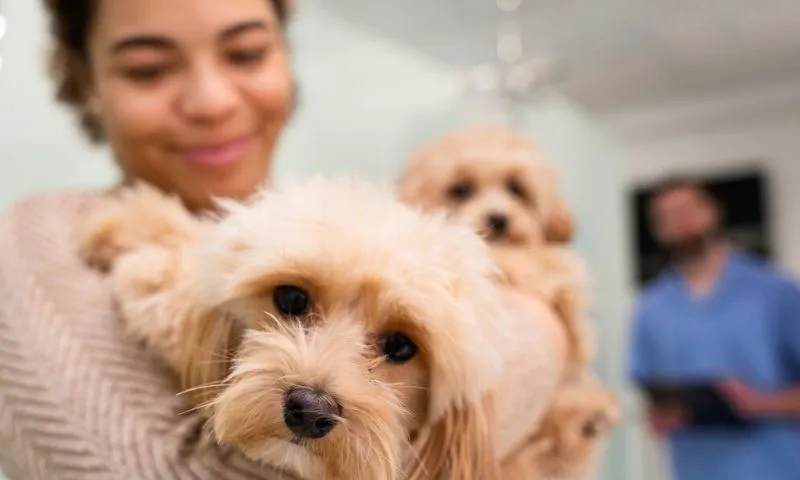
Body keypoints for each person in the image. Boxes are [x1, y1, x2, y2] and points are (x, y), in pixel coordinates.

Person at [0, 0, 568, 478]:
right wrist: (541, 335)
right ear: (84, 79)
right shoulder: (30, 244)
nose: (213, 101)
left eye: (246, 53)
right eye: (149, 68)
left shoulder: (346, 225)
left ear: (286, 59)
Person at [627, 177, 800, 480]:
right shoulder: (651, 309)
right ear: (657, 230)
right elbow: (647, 386)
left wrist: (759, 403)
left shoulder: (776, 292)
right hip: (695, 468)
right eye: (666, 216)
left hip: (774, 466)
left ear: (713, 211)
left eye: (687, 209)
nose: (680, 221)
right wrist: (662, 415)